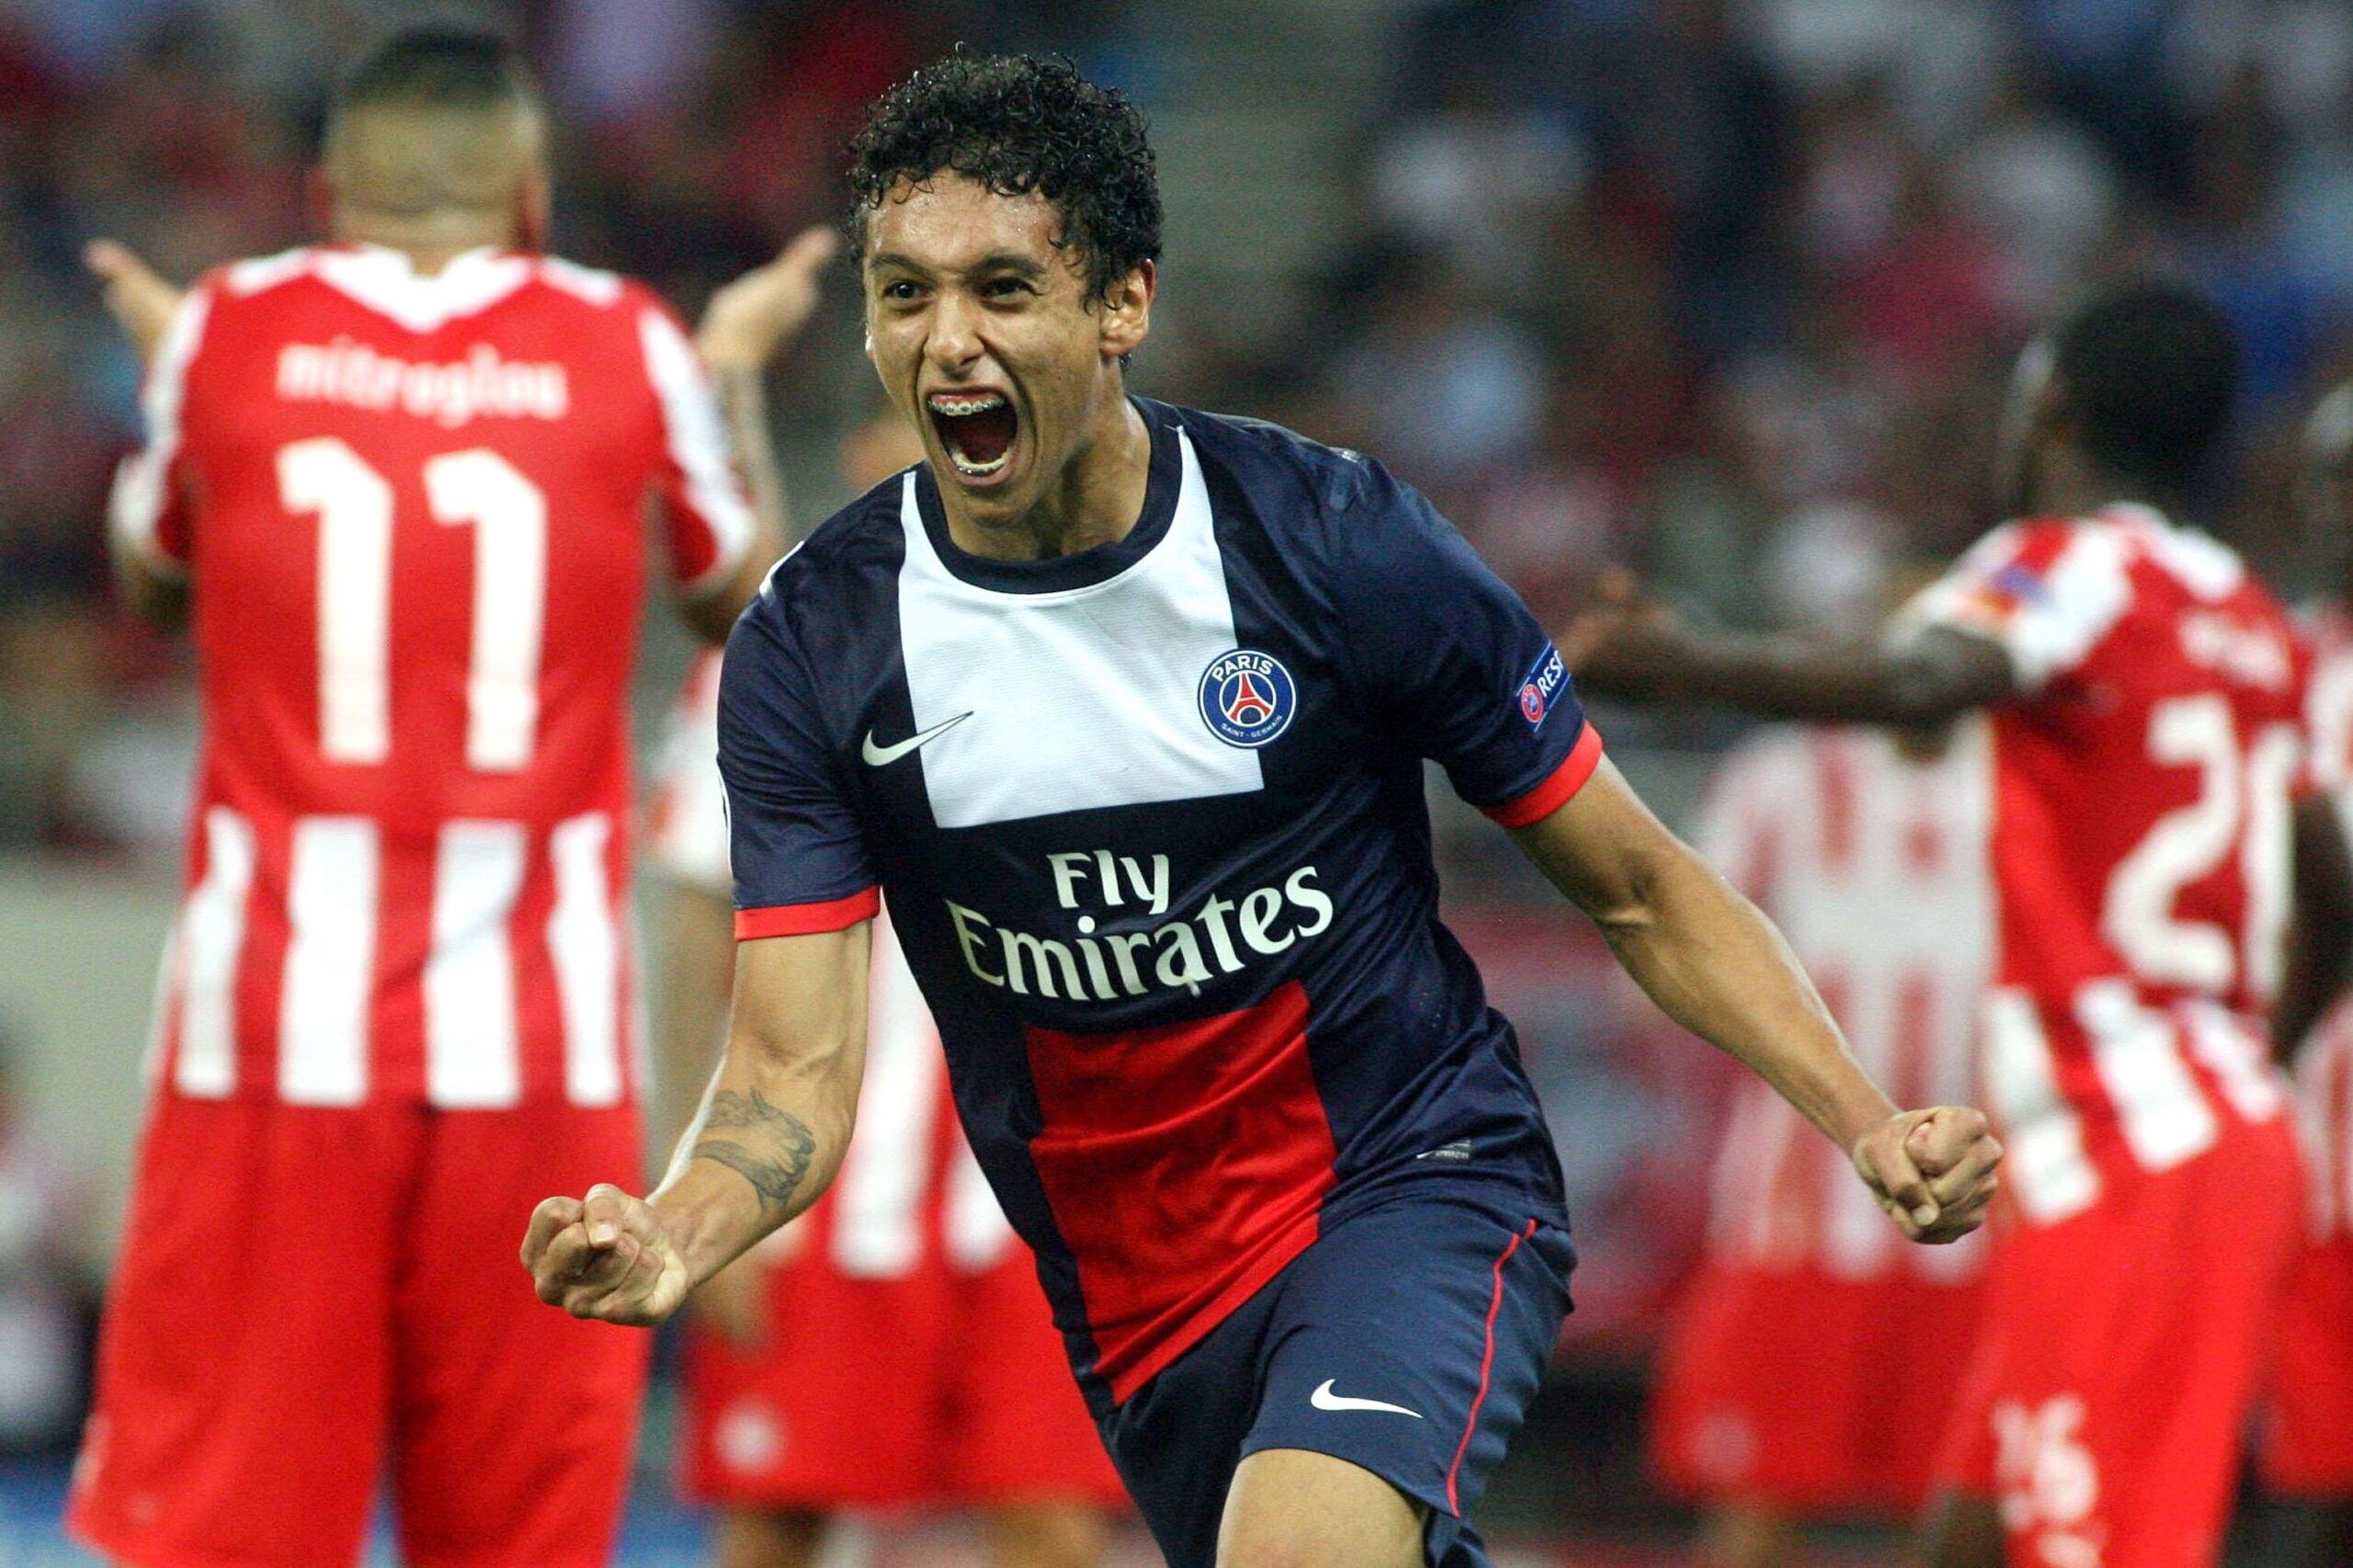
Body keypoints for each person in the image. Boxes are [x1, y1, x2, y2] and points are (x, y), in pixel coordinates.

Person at [521, 53, 2001, 1568]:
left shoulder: (1336, 546)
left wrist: (1867, 1119)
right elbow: (789, 1074)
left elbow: (1637, 884)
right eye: (905, 294)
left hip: (1408, 1177)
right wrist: (671, 1231)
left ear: (1123, 304)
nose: (947, 340)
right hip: (1138, 1294)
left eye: (1002, 289)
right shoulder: (816, 642)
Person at [65, 25, 832, 1565]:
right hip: (537, 1048)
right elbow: (732, 600)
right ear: (532, 195)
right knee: (516, 1532)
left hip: (266, 1037)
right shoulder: (626, 340)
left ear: (328, 193)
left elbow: (154, 582)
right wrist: (734, 372)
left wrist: (174, 373)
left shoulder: (229, 329)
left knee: (222, 1528)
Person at [1563, 283, 2341, 1568]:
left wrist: (1691, 664)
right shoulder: (2252, 616)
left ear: (2052, 410)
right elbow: (2331, 886)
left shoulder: (2069, 561)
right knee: (1965, 1539)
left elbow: (1928, 674)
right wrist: (2250, 1067)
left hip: (2128, 1143)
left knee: (2105, 1543)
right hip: (2183, 1132)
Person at [648, 409, 1125, 1568]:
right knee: (777, 1519)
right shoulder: (772, 649)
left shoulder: (1104, 643)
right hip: (820, 1186)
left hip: (1031, 1190)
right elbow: (694, 939)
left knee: (1054, 1520)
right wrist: (689, 1173)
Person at [1648, 715, 1993, 1567]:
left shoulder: (2034, 773)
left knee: (1961, 1522)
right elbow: (1671, 947)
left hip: (1985, 1227)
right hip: (1795, 1216)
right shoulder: (1780, 779)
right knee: (1759, 1499)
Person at [2256, 380, 2353, 1564]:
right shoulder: (2268, 658)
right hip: (2317, 1137)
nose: (2337, 506)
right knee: (2312, 1466)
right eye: (2327, 479)